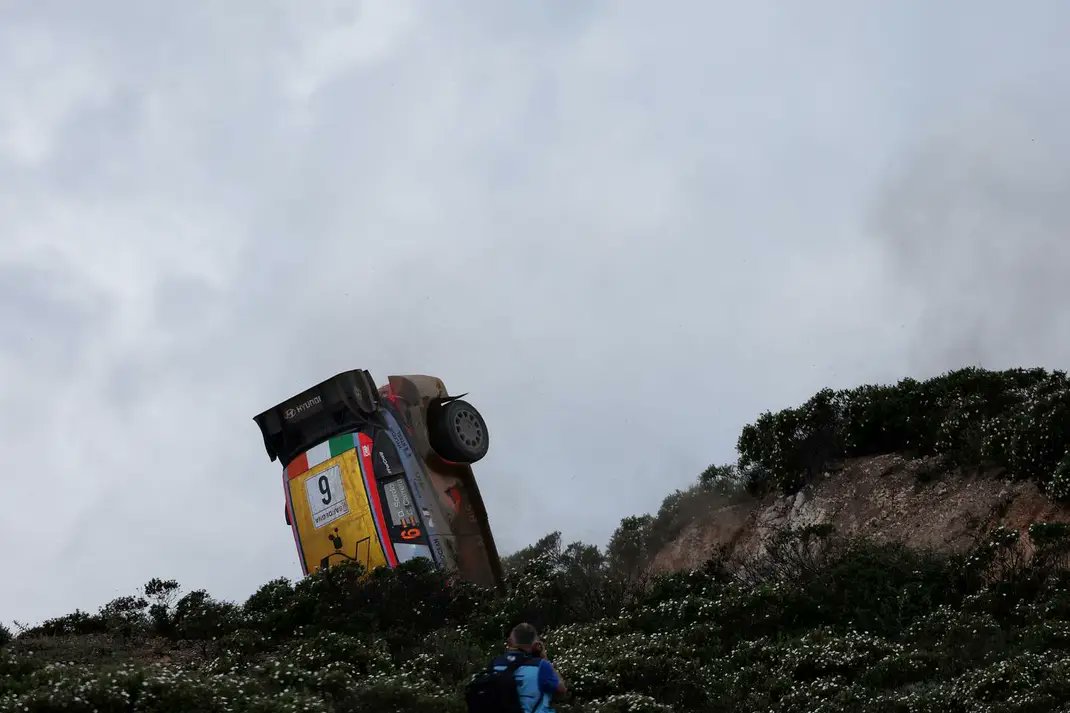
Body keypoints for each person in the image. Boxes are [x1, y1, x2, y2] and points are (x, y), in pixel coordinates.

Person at [488, 622, 567, 713]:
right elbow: (561, 690)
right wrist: (544, 658)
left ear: (510, 642)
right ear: (535, 645)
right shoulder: (541, 666)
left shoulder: (496, 663)